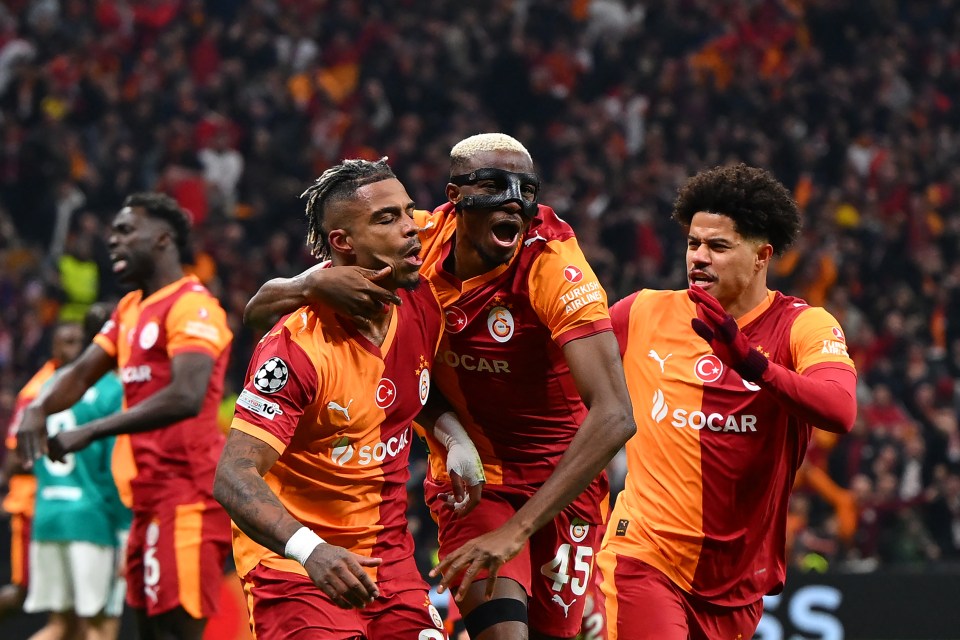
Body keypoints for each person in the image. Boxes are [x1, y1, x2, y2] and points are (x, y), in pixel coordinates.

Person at [245, 133, 636, 640]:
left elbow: (616, 414)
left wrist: (515, 534)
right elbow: (259, 310)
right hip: (474, 487)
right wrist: (308, 284)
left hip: (564, 483)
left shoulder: (553, 265)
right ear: (455, 198)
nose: (514, 200)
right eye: (495, 185)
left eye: (527, 188)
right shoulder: (416, 245)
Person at [213, 158, 483, 640]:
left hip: (392, 564)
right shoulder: (297, 345)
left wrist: (455, 438)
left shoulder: (421, 300)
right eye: (387, 219)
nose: (410, 229)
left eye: (409, 212)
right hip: (296, 570)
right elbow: (233, 477)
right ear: (342, 243)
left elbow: (408, 394)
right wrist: (310, 550)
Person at [596, 163, 858, 639]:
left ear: (762, 256)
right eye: (694, 243)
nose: (699, 257)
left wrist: (750, 363)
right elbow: (558, 371)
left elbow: (839, 410)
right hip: (644, 554)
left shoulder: (803, 326)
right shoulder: (641, 312)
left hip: (737, 581)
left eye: (718, 247)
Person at [18, 192, 235, 640]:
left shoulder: (193, 305)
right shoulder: (130, 309)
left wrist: (91, 430)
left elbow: (186, 395)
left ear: (163, 238)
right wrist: (37, 407)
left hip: (188, 496)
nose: (112, 241)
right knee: (146, 630)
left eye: (124, 231)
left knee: (175, 631)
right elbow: (80, 373)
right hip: (145, 497)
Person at [23, 303, 130, 640]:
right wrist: (125, 527)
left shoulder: (49, 385)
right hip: (92, 520)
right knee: (100, 627)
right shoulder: (113, 390)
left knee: (59, 626)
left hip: (48, 514)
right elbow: (113, 469)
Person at [0, 322, 87, 620]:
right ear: (53, 349)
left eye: (79, 342)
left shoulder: (80, 383)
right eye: (67, 342)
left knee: (72, 608)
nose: (75, 350)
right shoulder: (36, 391)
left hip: (65, 502)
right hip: (32, 503)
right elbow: (13, 459)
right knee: (21, 590)